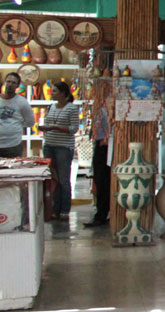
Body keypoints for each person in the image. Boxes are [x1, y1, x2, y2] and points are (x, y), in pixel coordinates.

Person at [42, 82, 80, 220]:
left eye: (55, 91)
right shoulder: (51, 107)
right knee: (54, 178)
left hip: (63, 147)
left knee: (64, 179)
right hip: (49, 145)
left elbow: (74, 128)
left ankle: (64, 209)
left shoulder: (71, 108)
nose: (52, 93)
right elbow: (48, 122)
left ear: (64, 93)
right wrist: (46, 128)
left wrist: (56, 128)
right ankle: (54, 208)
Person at [84, 106, 110, 227]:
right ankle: (101, 213)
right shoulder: (100, 105)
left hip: (106, 145)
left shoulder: (110, 105)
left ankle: (103, 214)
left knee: (104, 180)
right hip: (99, 144)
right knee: (99, 180)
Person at [0, 72, 35, 158]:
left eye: (13, 83)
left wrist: (16, 125)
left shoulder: (22, 102)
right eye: (8, 81)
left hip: (13, 145)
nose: (10, 84)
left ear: (18, 85)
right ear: (4, 82)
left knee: (13, 171)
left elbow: (30, 122)